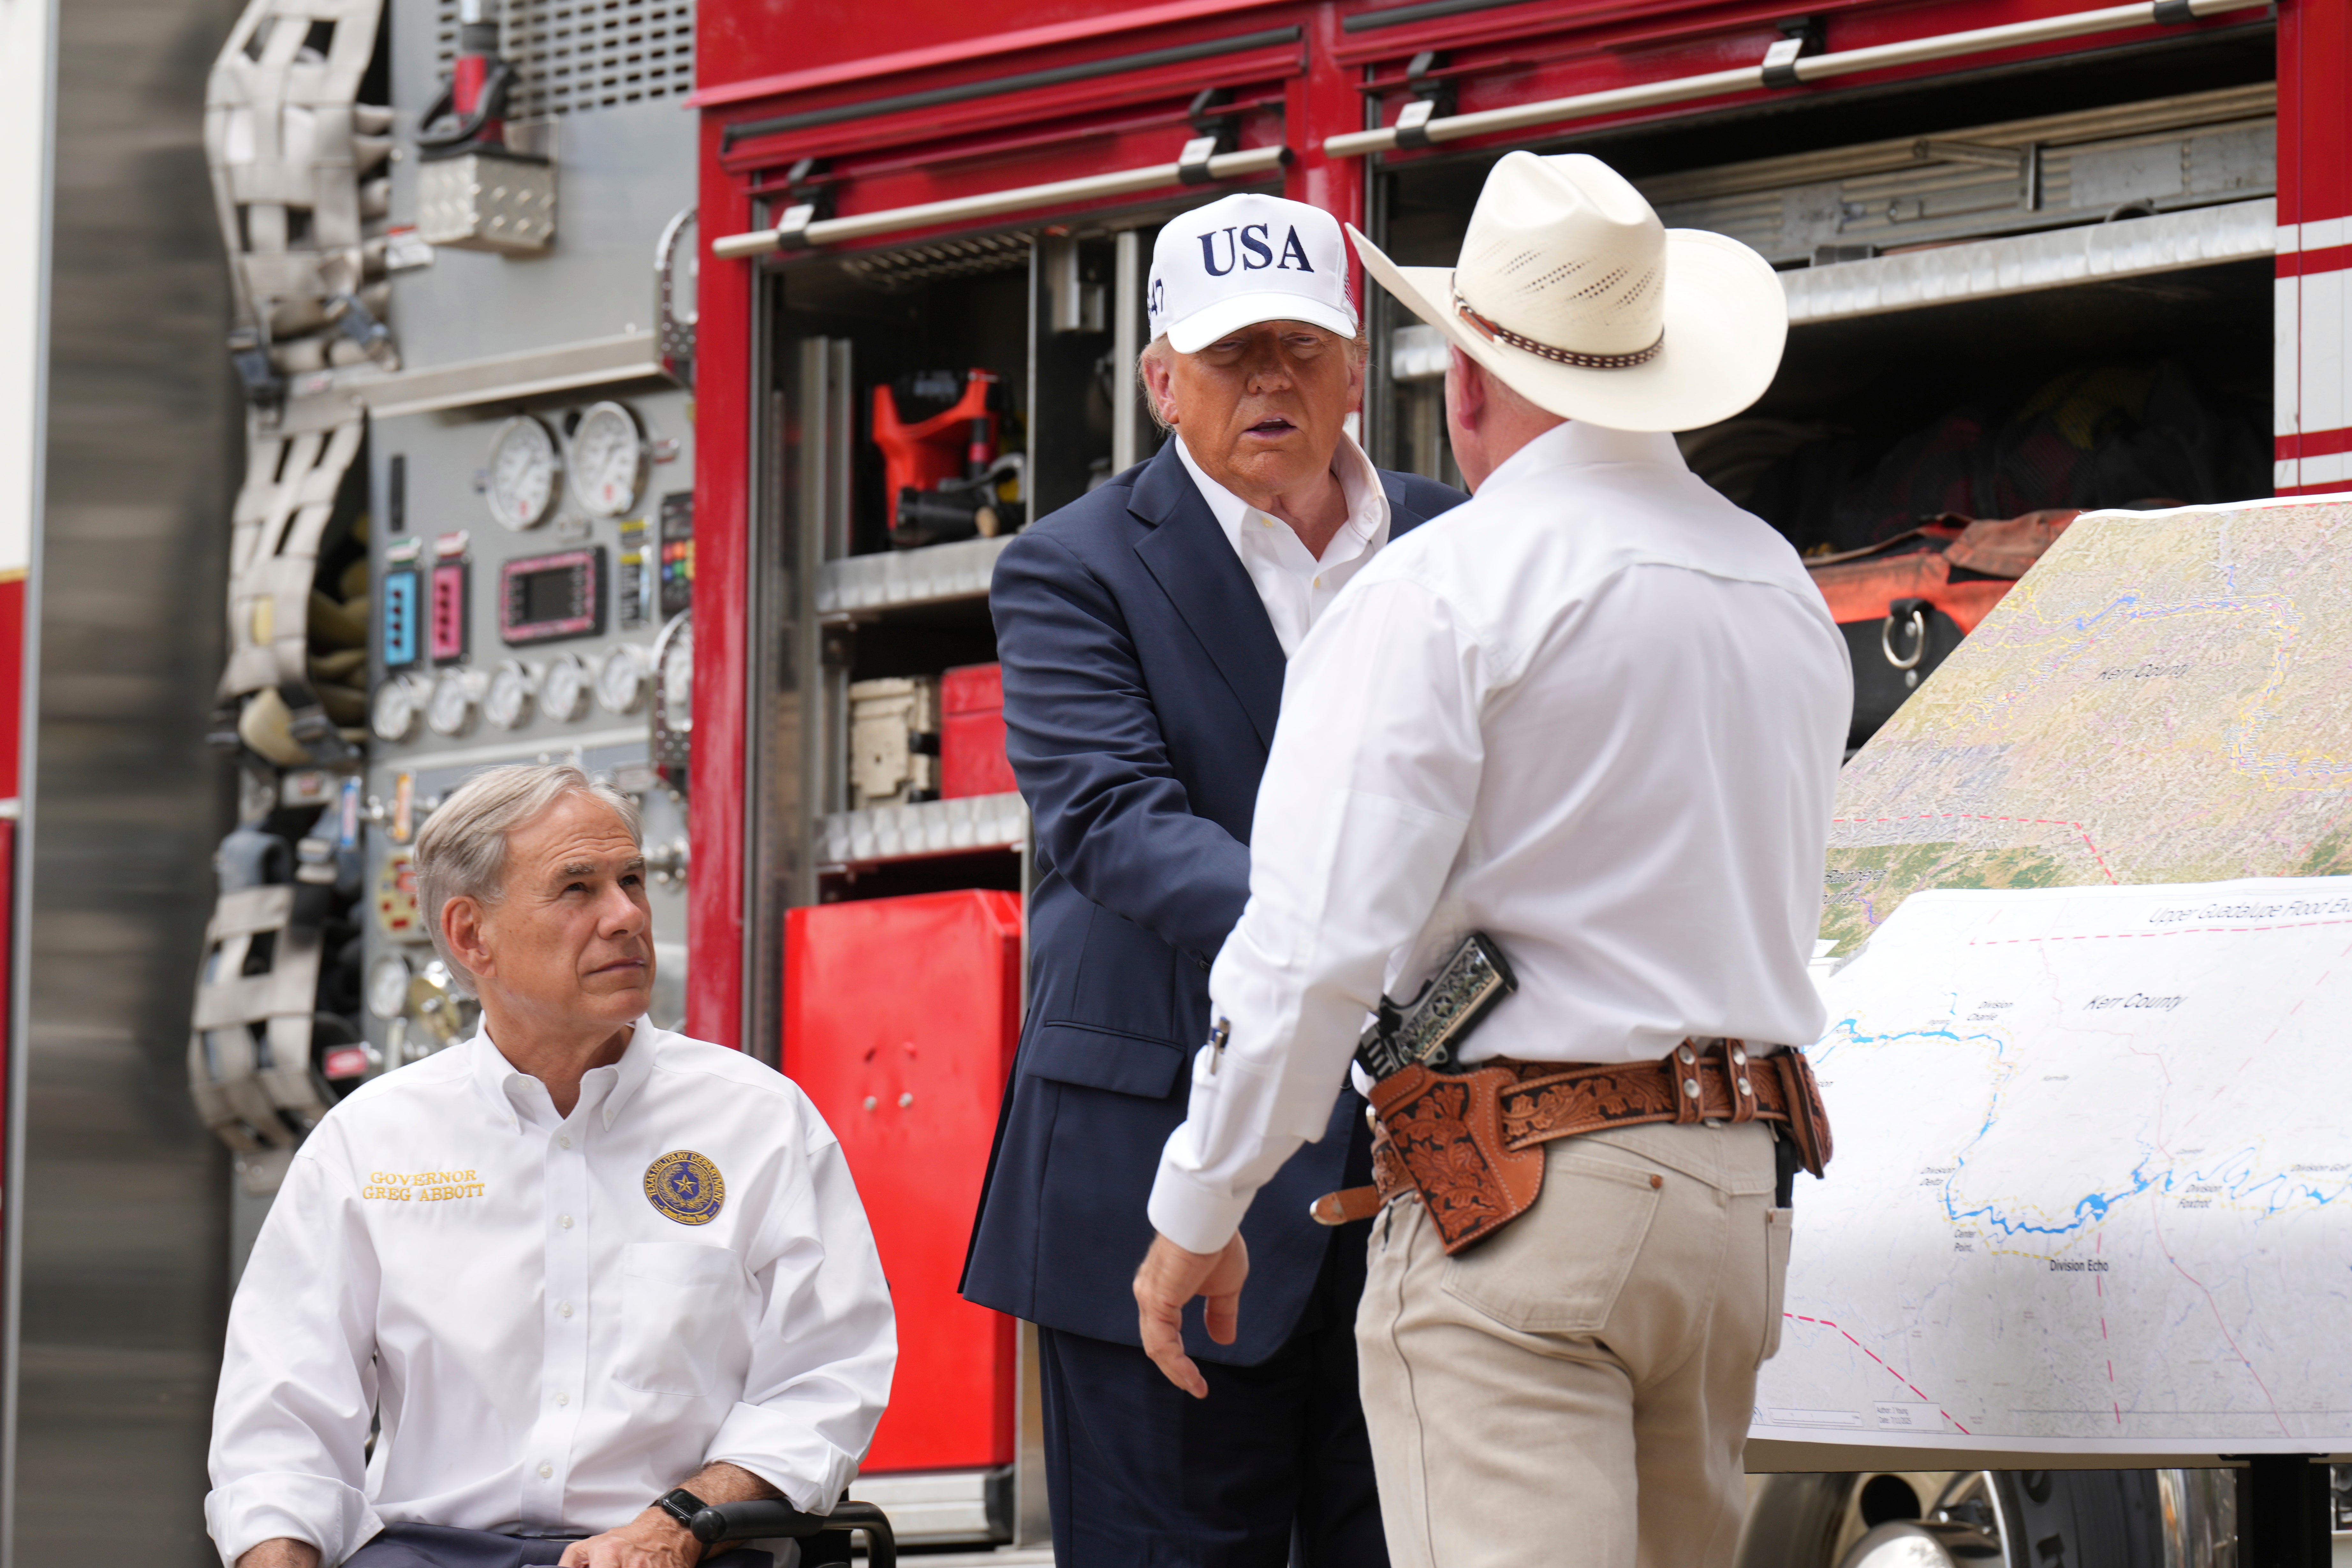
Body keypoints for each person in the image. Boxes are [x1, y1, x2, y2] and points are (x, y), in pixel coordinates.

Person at [1133, 151, 1852, 1568]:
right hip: (1733, 1194)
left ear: (1463, 379)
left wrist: (1199, 1202)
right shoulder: (1775, 582)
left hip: (1519, 1203)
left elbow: (1309, 948)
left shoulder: (1441, 589)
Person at [961, 192, 1466, 1565]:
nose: (1268, 381)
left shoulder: (1460, 540)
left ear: (1357, 367)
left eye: (1299, 348)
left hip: (1427, 1183)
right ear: (1160, 379)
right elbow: (1114, 819)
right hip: (1150, 1173)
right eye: (1230, 353)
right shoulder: (1069, 567)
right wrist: (1359, 932)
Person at [207, 763, 894, 1568]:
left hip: (681, 1548)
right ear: (471, 936)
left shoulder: (757, 1120)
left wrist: (675, 1523)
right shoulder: (368, 1141)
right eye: (578, 888)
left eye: (631, 878)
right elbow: (280, 1421)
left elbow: (824, 1379)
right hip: (429, 1553)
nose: (628, 915)